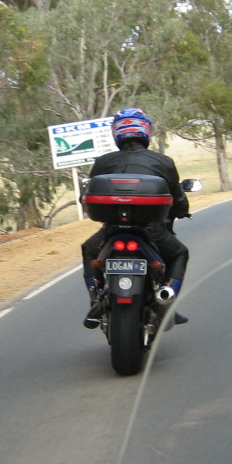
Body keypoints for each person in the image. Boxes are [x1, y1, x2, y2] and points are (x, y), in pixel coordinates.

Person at [81, 108, 190, 328]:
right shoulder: (163, 162)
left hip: (112, 230)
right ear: (146, 131)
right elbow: (178, 199)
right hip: (153, 230)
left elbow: (86, 196)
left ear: (117, 133)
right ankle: (167, 296)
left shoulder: (103, 162)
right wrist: (181, 210)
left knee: (89, 249)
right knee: (179, 253)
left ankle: (95, 298)